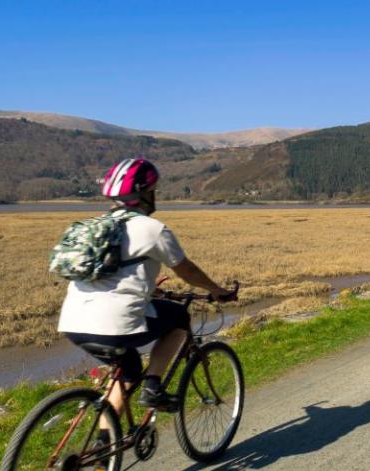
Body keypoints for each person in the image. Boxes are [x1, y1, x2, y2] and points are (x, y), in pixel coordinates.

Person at [58, 158, 237, 421]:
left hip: (73, 322)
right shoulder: (153, 229)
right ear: (144, 193)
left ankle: (103, 449)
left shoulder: (95, 228)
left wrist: (152, 292)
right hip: (115, 324)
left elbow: (114, 276)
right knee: (178, 317)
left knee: (128, 372)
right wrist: (217, 290)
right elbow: (187, 271)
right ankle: (153, 386)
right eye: (153, 190)